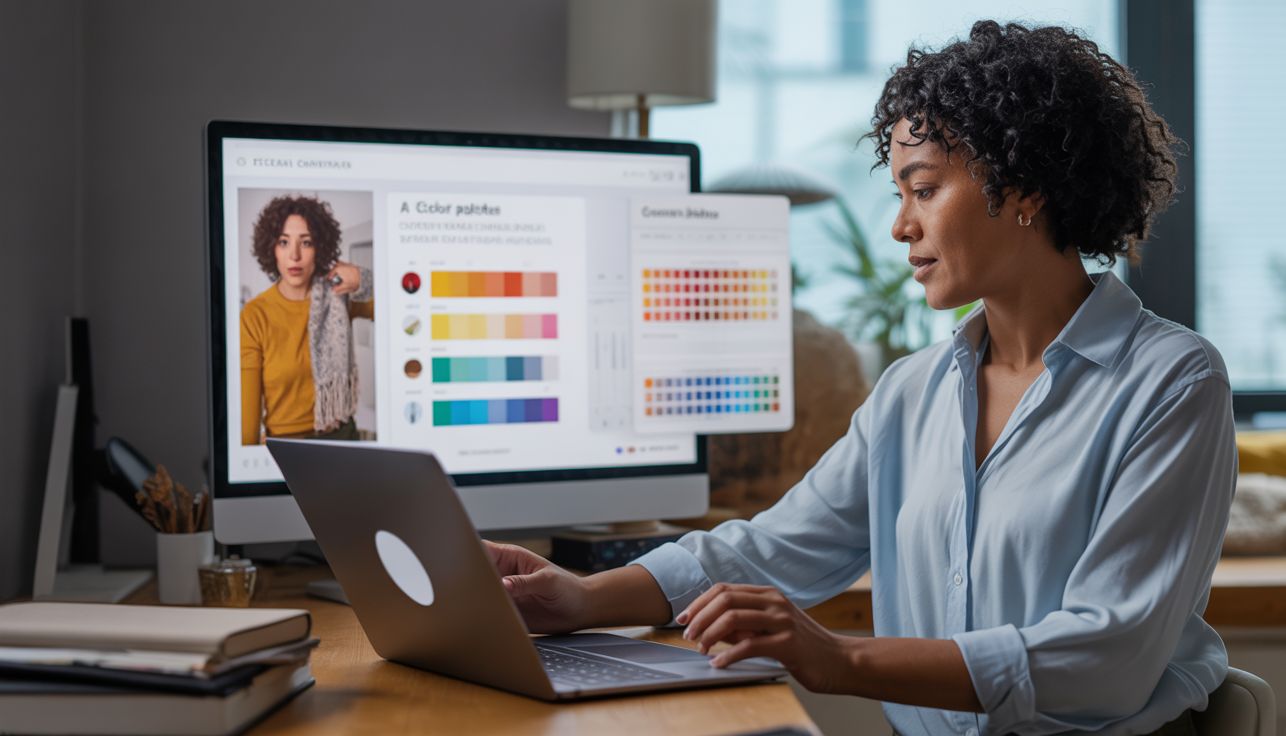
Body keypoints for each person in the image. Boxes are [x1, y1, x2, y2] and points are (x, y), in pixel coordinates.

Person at [487, 21, 1237, 736]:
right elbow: (769, 550)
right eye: (899, 193)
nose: (901, 226)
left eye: (926, 189)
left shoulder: (1171, 383)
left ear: (1026, 188)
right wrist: (579, 598)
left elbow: (1108, 655)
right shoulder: (913, 392)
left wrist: (838, 658)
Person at [240, 195, 373, 445]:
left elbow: (403, 309)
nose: (295, 255)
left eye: (306, 242)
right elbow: (247, 424)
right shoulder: (254, 315)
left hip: (344, 439)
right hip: (286, 448)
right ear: (271, 249)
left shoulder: (340, 295)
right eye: (283, 242)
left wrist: (362, 279)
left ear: (320, 248)